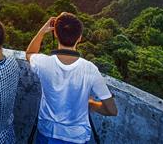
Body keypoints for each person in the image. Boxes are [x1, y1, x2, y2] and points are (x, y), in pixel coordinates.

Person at [25, 13, 118, 144]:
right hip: (76, 137)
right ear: (79, 38)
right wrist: (91, 104)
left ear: (55, 33)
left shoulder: (43, 63)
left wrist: (43, 30)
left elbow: (30, 53)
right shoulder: (90, 69)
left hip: (47, 132)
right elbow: (112, 110)